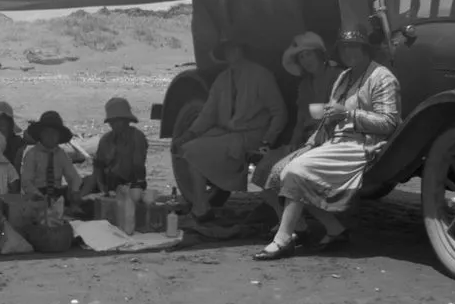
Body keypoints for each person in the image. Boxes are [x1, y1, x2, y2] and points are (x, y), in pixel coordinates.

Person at [253, 29, 402, 261]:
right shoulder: (345, 78)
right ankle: (334, 229)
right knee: (285, 173)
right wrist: (311, 143)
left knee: (296, 171)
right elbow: (328, 117)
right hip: (334, 142)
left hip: (362, 144)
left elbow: (389, 123)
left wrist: (348, 113)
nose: (349, 52)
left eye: (354, 47)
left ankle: (283, 239)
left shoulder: (382, 78)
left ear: (365, 49)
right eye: (344, 48)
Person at [170, 36, 288, 222]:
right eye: (227, 50)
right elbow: (207, 114)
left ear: (242, 50)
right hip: (229, 135)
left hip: (252, 135)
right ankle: (201, 206)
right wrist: (188, 134)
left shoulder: (260, 75)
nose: (231, 53)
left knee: (195, 151)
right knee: (189, 147)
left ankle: (201, 208)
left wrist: (268, 140)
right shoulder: (223, 79)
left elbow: (279, 112)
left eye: (234, 48)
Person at [251, 31, 343, 222]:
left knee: (287, 173)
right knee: (264, 169)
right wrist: (294, 142)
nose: (306, 60)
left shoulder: (338, 77)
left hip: (331, 139)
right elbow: (301, 119)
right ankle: (294, 226)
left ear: (318, 54)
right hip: (307, 139)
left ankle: (318, 227)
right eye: (301, 57)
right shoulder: (305, 85)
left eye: (308, 54)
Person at [81, 97, 148, 195]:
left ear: (127, 120)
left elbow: (138, 167)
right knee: (79, 186)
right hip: (107, 185)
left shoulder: (137, 137)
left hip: (131, 186)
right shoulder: (105, 140)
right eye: (112, 121)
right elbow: (98, 168)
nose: (115, 124)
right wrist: (103, 188)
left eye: (118, 121)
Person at [21, 111, 82, 205]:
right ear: (40, 135)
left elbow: (74, 176)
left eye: (54, 133)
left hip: (57, 192)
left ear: (59, 136)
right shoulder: (32, 154)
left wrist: (74, 190)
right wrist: (38, 196)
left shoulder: (62, 154)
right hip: (37, 193)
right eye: (47, 132)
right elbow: (26, 181)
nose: (51, 136)